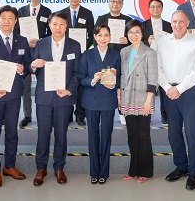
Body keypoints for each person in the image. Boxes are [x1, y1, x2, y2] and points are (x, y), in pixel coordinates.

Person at [0, 5, 32, 187]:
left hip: (14, 94)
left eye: (11, 18)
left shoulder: (22, 41)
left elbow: (28, 65)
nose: (7, 21)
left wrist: (23, 69)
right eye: (3, 18)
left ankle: (9, 166)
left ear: (15, 21)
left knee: (12, 133)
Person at [158, 10, 195, 190]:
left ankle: (194, 172)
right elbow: (157, 68)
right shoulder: (162, 42)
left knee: (192, 133)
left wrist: (178, 88)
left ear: (187, 23)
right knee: (173, 133)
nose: (177, 25)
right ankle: (181, 166)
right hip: (168, 91)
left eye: (181, 22)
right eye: (174, 22)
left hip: (191, 92)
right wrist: (167, 88)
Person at [30, 12, 81, 186]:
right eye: (55, 24)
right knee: (43, 134)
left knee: (61, 134)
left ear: (66, 26)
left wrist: (69, 90)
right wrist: (33, 65)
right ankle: (41, 169)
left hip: (64, 97)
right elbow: (34, 68)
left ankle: (59, 167)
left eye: (62, 24)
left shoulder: (75, 45)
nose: (58, 27)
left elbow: (77, 73)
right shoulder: (41, 43)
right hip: (44, 97)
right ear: (49, 25)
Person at [78, 24, 121, 184]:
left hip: (108, 101)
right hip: (91, 101)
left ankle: (104, 172)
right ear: (95, 37)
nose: (103, 38)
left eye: (106, 35)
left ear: (110, 37)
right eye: (100, 35)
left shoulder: (116, 55)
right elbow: (81, 77)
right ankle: (94, 172)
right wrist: (93, 80)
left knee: (106, 137)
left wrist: (114, 83)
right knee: (93, 137)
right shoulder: (87, 55)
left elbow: (121, 76)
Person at [119, 20, 158, 183]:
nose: (134, 35)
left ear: (142, 34)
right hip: (127, 99)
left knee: (144, 136)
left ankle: (145, 171)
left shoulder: (150, 52)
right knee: (132, 135)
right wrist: (119, 98)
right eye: (130, 32)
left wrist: (149, 101)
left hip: (143, 100)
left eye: (137, 32)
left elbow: (153, 79)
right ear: (126, 35)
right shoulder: (124, 52)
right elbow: (121, 76)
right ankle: (133, 170)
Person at [16, 0, 52, 128]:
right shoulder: (21, 11)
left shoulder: (47, 11)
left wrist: (40, 41)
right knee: (25, 86)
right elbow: (16, 31)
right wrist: (26, 42)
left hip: (42, 51)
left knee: (45, 82)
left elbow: (51, 32)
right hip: (25, 52)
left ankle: (47, 112)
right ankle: (27, 115)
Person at [58, 0, 95, 126]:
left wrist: (84, 47)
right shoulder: (61, 13)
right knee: (67, 82)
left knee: (80, 85)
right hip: (65, 54)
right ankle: (67, 114)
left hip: (82, 55)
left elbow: (92, 35)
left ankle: (80, 114)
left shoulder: (87, 13)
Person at [95, 0, 133, 125]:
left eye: (118, 2)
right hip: (105, 57)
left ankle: (122, 112)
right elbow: (96, 38)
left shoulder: (128, 20)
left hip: (122, 57)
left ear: (122, 4)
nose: (115, 4)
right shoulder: (102, 18)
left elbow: (134, 39)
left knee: (121, 85)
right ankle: (102, 110)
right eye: (112, 1)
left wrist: (127, 40)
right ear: (108, 3)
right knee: (105, 84)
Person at [141, 0, 172, 124]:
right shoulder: (143, 25)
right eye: (153, 6)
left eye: (158, 6)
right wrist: (146, 42)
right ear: (148, 9)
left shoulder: (169, 26)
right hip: (148, 61)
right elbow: (137, 43)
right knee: (148, 89)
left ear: (162, 9)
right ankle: (146, 115)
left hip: (165, 62)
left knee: (165, 89)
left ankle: (166, 116)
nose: (155, 9)